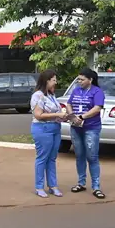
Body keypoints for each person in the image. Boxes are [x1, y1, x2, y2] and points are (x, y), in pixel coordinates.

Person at [66, 68, 106, 199]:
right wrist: (72, 116)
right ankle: (81, 183)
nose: (79, 82)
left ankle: (96, 187)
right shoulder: (76, 90)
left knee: (92, 156)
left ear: (90, 80)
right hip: (76, 127)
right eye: (78, 79)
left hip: (91, 128)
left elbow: (97, 108)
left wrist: (82, 117)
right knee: (79, 155)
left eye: (82, 79)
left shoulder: (97, 92)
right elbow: (69, 104)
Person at [30, 70, 67, 198]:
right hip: (42, 128)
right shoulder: (38, 95)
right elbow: (38, 115)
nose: (55, 83)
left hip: (55, 128)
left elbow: (56, 112)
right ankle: (39, 186)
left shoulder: (51, 95)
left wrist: (64, 117)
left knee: (52, 158)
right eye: (53, 80)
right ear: (46, 81)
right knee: (42, 158)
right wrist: (58, 114)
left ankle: (53, 185)